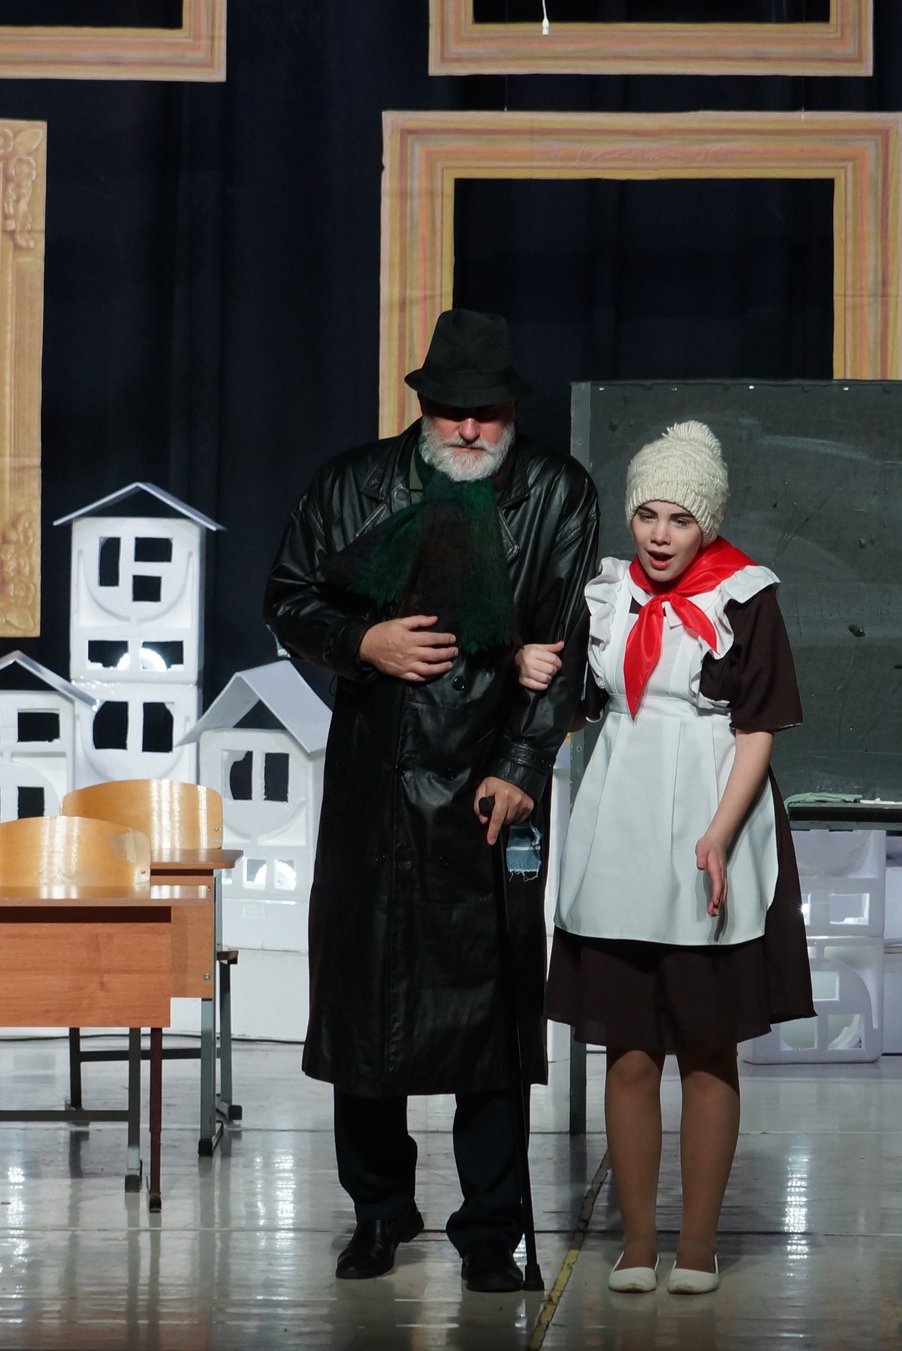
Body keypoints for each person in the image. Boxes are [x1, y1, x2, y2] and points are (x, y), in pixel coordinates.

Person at [263, 308, 600, 1293]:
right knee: (367, 1010)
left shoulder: (555, 493)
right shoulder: (353, 484)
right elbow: (288, 596)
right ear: (422, 405)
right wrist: (360, 642)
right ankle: (378, 1210)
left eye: (484, 412)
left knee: (491, 1022)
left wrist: (523, 767)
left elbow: (569, 644)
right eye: (451, 410)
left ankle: (490, 1230)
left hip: (488, 788)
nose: (467, 428)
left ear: (511, 410)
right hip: (375, 785)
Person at [524, 420, 813, 1297]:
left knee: (708, 1046)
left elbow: (758, 728)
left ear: (707, 523)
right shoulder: (604, 593)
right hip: (622, 816)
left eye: (679, 519)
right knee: (629, 1049)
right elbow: (575, 700)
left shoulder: (747, 594)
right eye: (647, 515)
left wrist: (719, 834)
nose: (659, 534)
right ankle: (638, 1241)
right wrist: (525, 665)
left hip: (709, 813)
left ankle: (697, 1242)